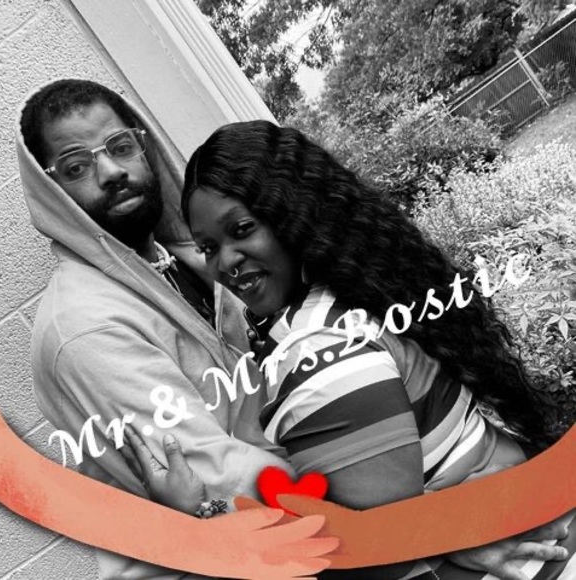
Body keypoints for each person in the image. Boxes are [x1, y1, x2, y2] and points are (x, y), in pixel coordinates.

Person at [131, 119, 575, 579]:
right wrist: (452, 527)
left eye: (242, 229)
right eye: (208, 247)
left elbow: (373, 558)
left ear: (295, 214)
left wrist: (204, 513)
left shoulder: (316, 345)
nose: (225, 261)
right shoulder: (365, 290)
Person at [16, 79, 334, 580]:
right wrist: (358, 469)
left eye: (121, 146)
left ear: (144, 147)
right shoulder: (82, 327)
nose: (112, 171)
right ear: (52, 193)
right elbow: (210, 476)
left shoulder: (195, 259)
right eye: (77, 166)